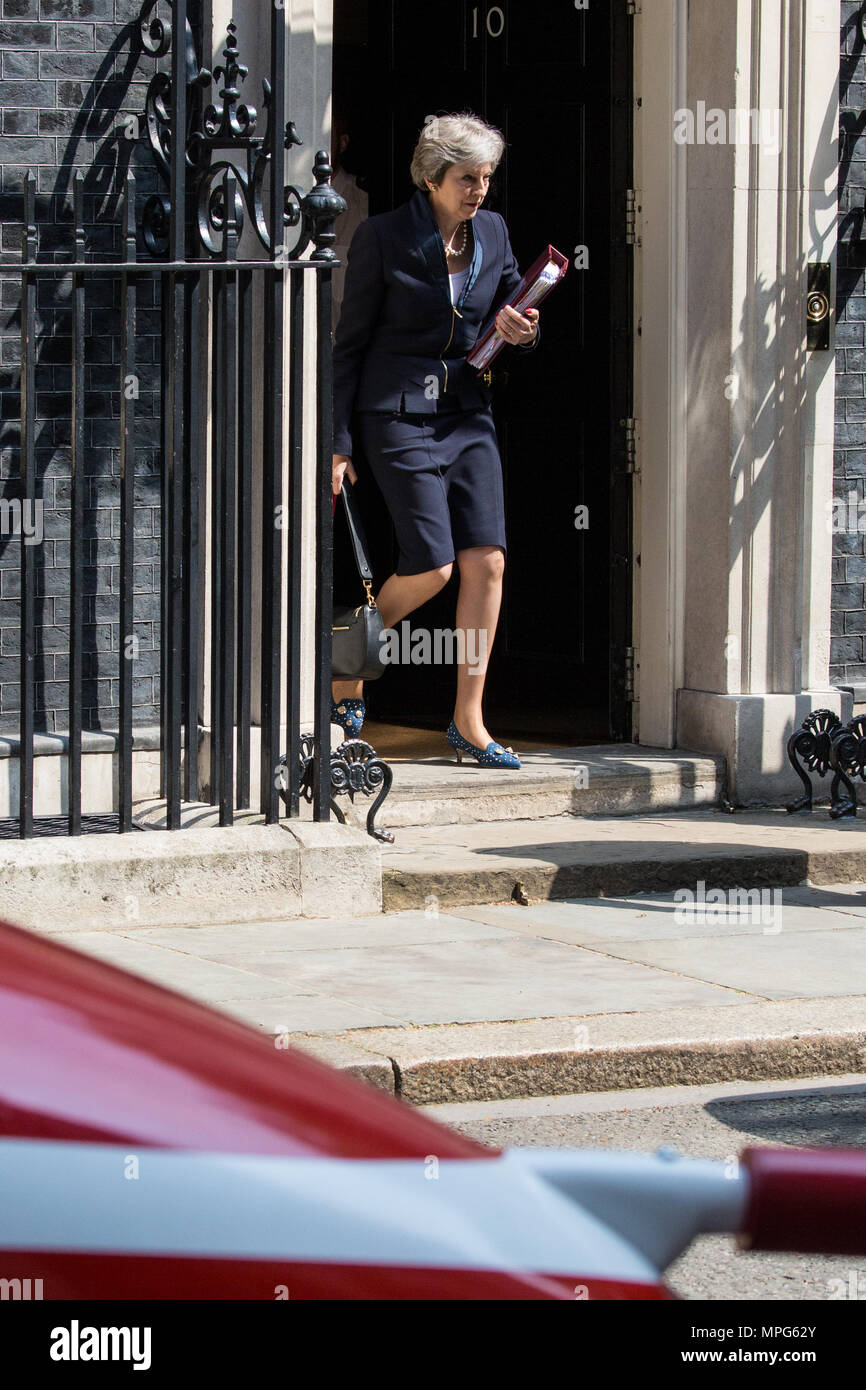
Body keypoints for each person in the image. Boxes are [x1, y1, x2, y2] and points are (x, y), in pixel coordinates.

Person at [331, 112, 540, 769]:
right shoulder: (383, 237)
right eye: (466, 179)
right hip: (394, 414)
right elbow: (349, 345)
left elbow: (513, 308)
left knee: (488, 563)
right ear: (430, 178)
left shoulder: (495, 233)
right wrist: (337, 443)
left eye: (486, 179)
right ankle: (346, 656)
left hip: (467, 413)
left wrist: (522, 330)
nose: (479, 191)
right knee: (433, 565)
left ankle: (468, 720)